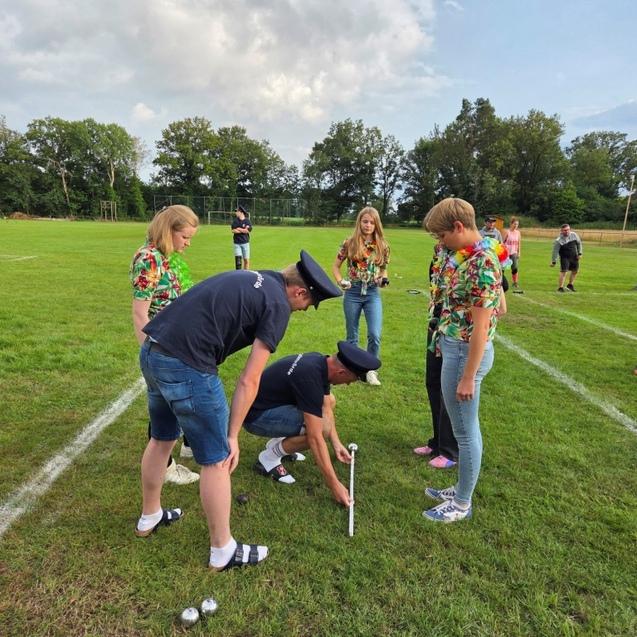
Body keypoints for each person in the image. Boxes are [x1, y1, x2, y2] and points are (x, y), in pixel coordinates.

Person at [134, 250, 342, 572]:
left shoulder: (257, 278)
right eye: (307, 304)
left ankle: (150, 516)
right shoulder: (278, 305)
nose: (303, 310)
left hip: (152, 352)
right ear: (300, 292)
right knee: (217, 458)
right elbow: (249, 379)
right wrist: (232, 436)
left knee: (162, 438)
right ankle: (223, 550)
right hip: (187, 364)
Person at [422, 198, 507, 523]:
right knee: (463, 428)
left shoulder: (482, 261)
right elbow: (501, 307)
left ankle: (461, 504)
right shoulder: (471, 254)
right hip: (454, 346)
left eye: (442, 235)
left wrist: (468, 376)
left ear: (458, 227)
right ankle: (460, 490)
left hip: (464, 353)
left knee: (465, 432)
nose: (441, 243)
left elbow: (482, 327)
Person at [244, 341, 380, 504]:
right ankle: (268, 458)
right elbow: (316, 438)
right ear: (341, 372)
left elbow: (326, 405)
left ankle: (279, 445)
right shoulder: (309, 379)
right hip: (256, 417)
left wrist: (336, 443)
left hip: (270, 405)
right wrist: (334, 485)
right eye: (350, 380)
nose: (348, 384)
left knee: (330, 401)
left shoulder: (320, 362)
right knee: (321, 430)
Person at [130, 205, 200, 485]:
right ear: (168, 230)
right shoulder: (149, 259)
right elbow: (140, 312)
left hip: (178, 343)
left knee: (180, 398)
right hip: (162, 347)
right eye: (185, 237)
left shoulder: (169, 257)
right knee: (165, 406)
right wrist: (150, 354)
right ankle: (167, 467)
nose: (188, 243)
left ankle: (188, 443)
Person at [332, 206, 390, 386]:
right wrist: (341, 281)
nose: (368, 225)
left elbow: (384, 269)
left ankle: (370, 370)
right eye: (365, 221)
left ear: (376, 224)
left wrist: (382, 279)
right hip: (353, 292)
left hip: (372, 293)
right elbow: (335, 267)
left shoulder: (382, 246)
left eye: (372, 222)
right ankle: (353, 369)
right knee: (352, 335)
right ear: (359, 222)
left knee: (374, 334)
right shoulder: (349, 243)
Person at [413, 243, 458, 469]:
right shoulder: (440, 252)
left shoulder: (474, 255)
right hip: (437, 326)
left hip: (456, 332)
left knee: (448, 389)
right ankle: (438, 442)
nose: (438, 239)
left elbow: (501, 286)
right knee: (433, 382)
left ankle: (450, 450)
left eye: (441, 233)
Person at [551, 223, 583, 292]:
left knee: (575, 271)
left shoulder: (574, 235)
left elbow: (579, 244)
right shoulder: (558, 240)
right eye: (565, 230)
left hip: (574, 257)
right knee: (564, 272)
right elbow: (555, 252)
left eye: (568, 230)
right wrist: (554, 261)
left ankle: (570, 285)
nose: (567, 231)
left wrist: (580, 253)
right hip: (564, 258)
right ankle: (560, 288)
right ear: (561, 231)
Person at [231, 205, 252, 270]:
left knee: (246, 261)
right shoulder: (235, 221)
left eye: (237, 211)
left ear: (241, 212)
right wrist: (243, 230)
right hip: (237, 243)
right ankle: (238, 274)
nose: (236, 213)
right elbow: (233, 230)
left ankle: (245, 274)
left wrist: (239, 228)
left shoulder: (247, 221)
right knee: (238, 261)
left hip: (245, 243)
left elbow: (247, 231)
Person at [503, 217, 522, 290]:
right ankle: (501, 281)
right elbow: (502, 242)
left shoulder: (518, 233)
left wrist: (519, 252)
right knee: (503, 268)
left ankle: (515, 282)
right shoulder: (507, 232)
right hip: (506, 253)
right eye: (514, 224)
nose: (516, 226)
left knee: (515, 268)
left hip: (514, 253)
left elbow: (519, 243)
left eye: (517, 224)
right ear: (511, 224)